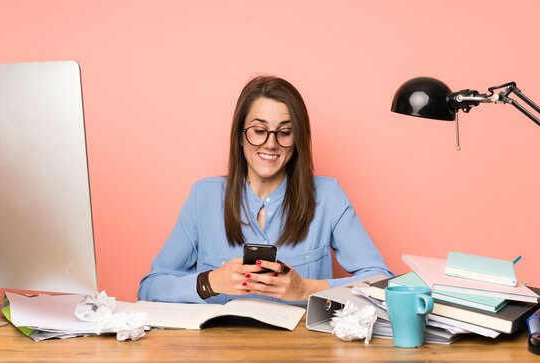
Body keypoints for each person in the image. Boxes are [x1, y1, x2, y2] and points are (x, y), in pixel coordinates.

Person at [138, 75, 392, 304]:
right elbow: (150, 287)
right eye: (259, 131)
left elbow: (382, 282)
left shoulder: (328, 196)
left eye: (284, 132)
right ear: (240, 136)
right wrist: (211, 282)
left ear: (298, 139)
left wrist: (306, 289)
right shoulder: (203, 197)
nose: (270, 144)